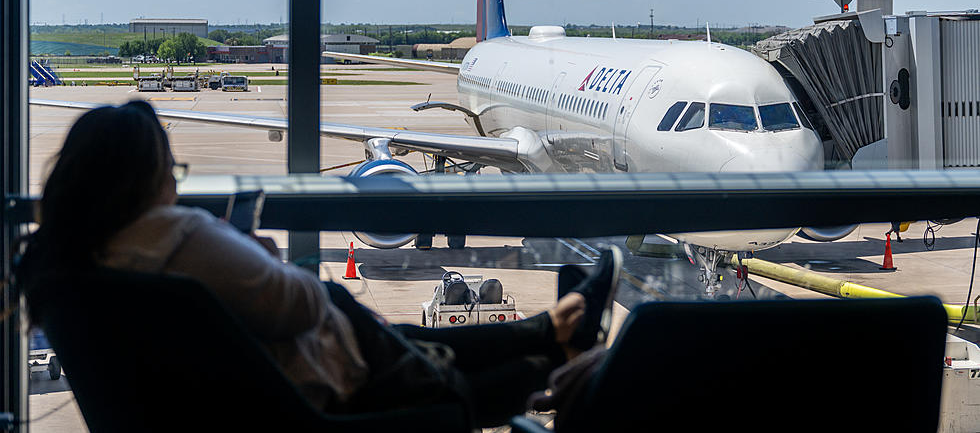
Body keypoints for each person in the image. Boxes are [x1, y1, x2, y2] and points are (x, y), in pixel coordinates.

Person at [15, 100, 621, 428]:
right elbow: (299, 302)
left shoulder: (61, 264)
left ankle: (553, 333)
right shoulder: (175, 235)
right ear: (147, 178)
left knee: (403, 336)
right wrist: (253, 248)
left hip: (242, 399)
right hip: (311, 393)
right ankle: (556, 353)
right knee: (384, 334)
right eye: (170, 172)